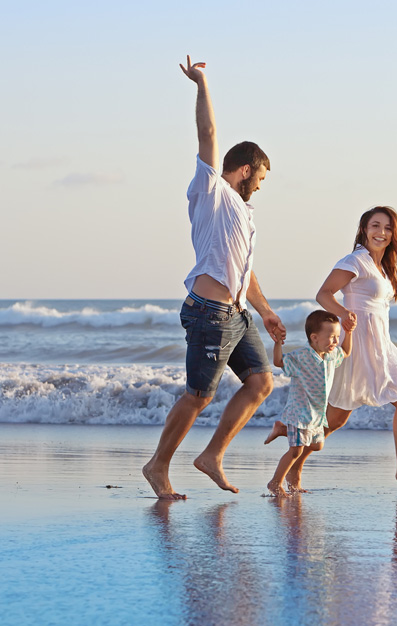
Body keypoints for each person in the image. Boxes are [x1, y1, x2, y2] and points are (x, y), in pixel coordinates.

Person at [142, 56, 286, 500]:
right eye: (258, 178)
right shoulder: (212, 192)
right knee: (199, 395)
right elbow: (207, 134)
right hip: (208, 313)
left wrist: (265, 312)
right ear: (244, 170)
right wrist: (201, 83)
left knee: (262, 382)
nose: (259, 186)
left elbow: (243, 268)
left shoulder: (243, 212)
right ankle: (158, 466)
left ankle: (211, 456)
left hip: (236, 314)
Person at [268, 206, 397, 489]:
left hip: (379, 343)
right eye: (375, 226)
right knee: (336, 418)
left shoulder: (381, 268)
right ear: (364, 229)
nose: (381, 232)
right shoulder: (356, 260)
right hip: (357, 344)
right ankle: (292, 465)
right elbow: (323, 293)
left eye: (387, 228)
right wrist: (343, 314)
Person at [266, 310, 353, 497]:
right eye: (331, 337)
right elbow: (278, 361)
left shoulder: (331, 355)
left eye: (337, 336)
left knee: (317, 446)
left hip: (316, 413)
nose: (336, 341)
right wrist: (278, 343)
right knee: (296, 451)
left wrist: (349, 332)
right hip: (300, 412)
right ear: (314, 337)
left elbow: (345, 352)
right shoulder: (302, 356)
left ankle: (282, 429)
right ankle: (275, 483)